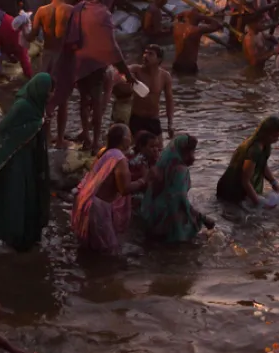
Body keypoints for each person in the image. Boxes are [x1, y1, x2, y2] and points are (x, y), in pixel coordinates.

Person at [48, 0, 136, 151]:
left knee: (83, 101)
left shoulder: (80, 7)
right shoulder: (104, 14)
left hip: (79, 62)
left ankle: (86, 137)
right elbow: (111, 45)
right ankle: (95, 141)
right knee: (96, 103)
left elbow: (70, 36)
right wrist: (125, 72)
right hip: (96, 64)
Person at [0, 73, 53, 252]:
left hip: (29, 161)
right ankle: (11, 236)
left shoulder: (37, 108)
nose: (50, 95)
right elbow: (3, 131)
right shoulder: (22, 107)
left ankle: (27, 236)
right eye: (48, 91)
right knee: (15, 197)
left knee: (29, 197)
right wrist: (34, 127)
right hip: (14, 161)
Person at [72, 123, 134, 255]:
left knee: (90, 250)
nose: (131, 139)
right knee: (108, 252)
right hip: (98, 208)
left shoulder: (104, 151)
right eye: (129, 136)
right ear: (123, 139)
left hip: (86, 201)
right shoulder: (119, 158)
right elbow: (124, 189)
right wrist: (143, 181)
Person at [138, 134, 210, 244]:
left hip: (154, 213)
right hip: (168, 216)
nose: (192, 156)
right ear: (182, 151)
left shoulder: (164, 164)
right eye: (190, 151)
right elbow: (179, 200)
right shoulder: (180, 169)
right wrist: (202, 218)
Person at [216, 115, 279, 206]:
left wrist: (273, 182)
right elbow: (245, 180)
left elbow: (262, 165)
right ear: (265, 133)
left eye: (278, 136)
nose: (276, 140)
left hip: (242, 188)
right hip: (231, 190)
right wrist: (258, 203)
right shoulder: (254, 149)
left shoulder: (265, 144)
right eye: (274, 136)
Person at [128, 44, 174, 140]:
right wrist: (128, 76)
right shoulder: (136, 70)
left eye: (150, 54)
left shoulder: (165, 76)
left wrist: (170, 124)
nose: (145, 56)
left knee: (158, 150)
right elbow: (122, 70)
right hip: (136, 118)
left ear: (159, 60)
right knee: (134, 150)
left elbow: (169, 101)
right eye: (145, 53)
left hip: (153, 119)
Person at [31, 0, 73, 77]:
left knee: (43, 84)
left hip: (47, 53)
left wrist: (23, 29)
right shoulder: (71, 10)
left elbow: (33, 35)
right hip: (63, 55)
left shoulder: (41, 11)